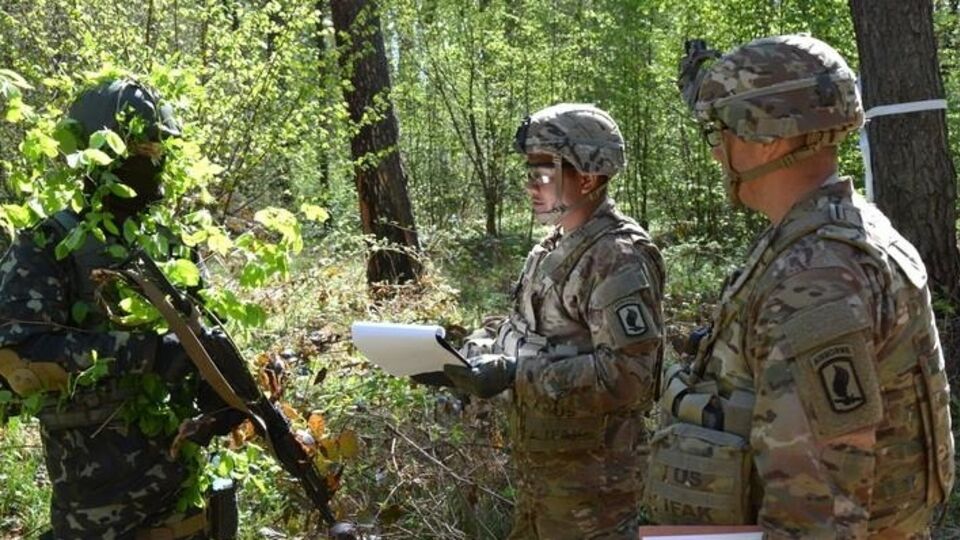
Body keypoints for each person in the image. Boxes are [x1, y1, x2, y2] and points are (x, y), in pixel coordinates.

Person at [646, 35, 955, 538]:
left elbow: (816, 514)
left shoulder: (814, 278)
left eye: (720, 131)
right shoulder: (835, 235)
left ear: (766, 136)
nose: (717, 152)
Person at [0, 79, 239, 539]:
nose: (155, 160)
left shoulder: (171, 247)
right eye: (142, 147)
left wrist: (221, 394)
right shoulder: (48, 246)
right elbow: (17, 357)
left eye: (159, 147)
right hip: (99, 514)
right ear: (100, 154)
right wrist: (147, 353)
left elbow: (208, 334)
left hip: (187, 504)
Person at [444, 103, 665, 539]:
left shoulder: (616, 258)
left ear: (587, 177)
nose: (530, 186)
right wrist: (462, 354)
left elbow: (630, 377)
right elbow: (522, 329)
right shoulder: (552, 246)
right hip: (541, 478)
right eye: (527, 172)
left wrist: (518, 373)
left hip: (592, 493)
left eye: (542, 172)